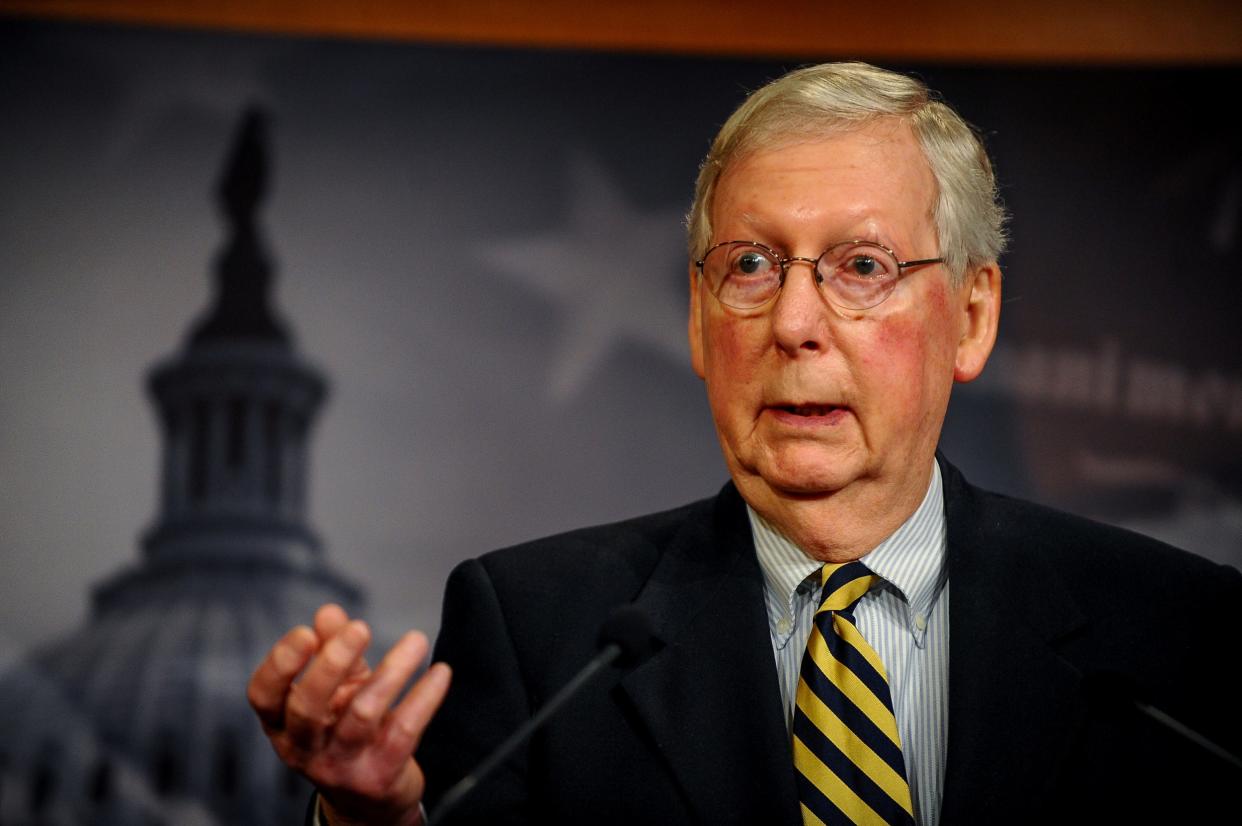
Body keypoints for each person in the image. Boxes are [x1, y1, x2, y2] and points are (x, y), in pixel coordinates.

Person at [248, 62, 1242, 825]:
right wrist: (372, 818)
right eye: (753, 264)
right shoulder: (540, 633)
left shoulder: (1172, 639)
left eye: (860, 264)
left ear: (972, 316)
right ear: (697, 315)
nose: (794, 321)